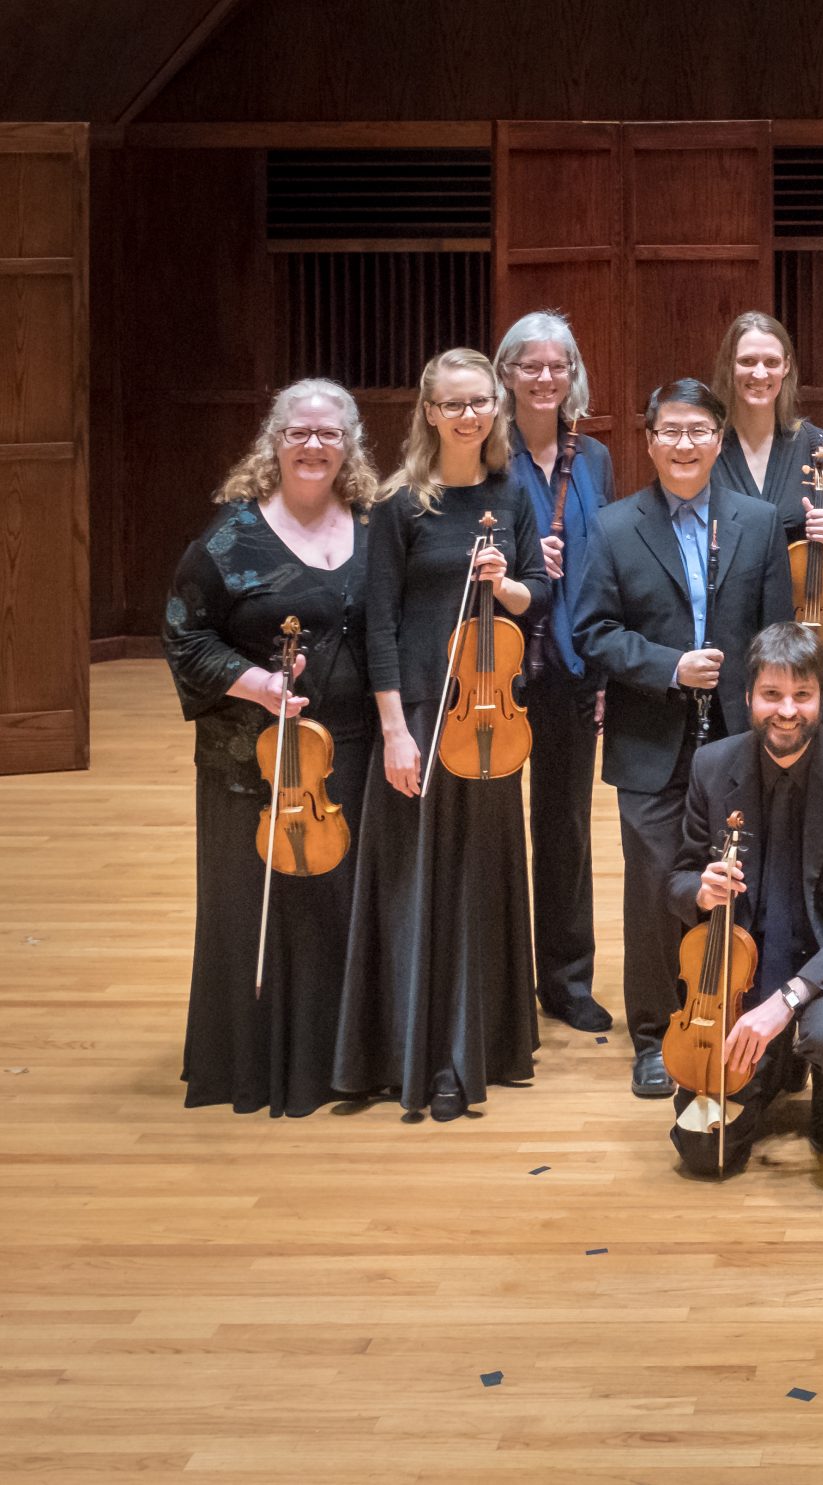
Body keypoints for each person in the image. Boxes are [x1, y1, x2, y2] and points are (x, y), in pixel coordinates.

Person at [335, 349, 549, 1122]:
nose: (470, 415)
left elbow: (537, 596)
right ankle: (414, 1052)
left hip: (489, 715)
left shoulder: (511, 493)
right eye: (454, 404)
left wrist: (505, 582)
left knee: (481, 875)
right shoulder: (398, 507)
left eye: (481, 402)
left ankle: (478, 1050)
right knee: (418, 880)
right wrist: (395, 732)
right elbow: (381, 627)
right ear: (429, 412)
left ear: (496, 408)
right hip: (422, 712)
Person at [165, 380, 380, 1116]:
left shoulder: (373, 524)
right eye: (298, 432)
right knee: (257, 903)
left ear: (349, 444)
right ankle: (257, 1063)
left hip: (348, 753)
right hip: (251, 762)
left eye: (328, 433)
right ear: (274, 441)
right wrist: (256, 682)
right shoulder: (230, 537)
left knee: (333, 904)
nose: (313, 445)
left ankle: (338, 1061)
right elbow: (184, 635)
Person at [575, 379, 794, 1100]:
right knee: (655, 890)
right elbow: (593, 631)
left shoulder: (759, 522)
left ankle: (743, 1022)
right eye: (670, 430)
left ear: (719, 439)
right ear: (649, 439)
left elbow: (778, 638)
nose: (684, 443)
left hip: (739, 741)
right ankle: (651, 1034)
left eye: (699, 429)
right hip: (650, 744)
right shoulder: (613, 527)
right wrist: (669, 665)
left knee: (744, 885)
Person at [663, 623, 823, 1177]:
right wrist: (701, 892)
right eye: (771, 695)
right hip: (740, 973)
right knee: (705, 1153)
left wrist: (788, 1000)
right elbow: (679, 877)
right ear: (749, 696)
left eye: (802, 696)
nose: (787, 711)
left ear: (821, 697)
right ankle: (773, 1065)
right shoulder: (712, 767)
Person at [496, 309, 615, 1035]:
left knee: (566, 825)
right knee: (494, 827)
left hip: (573, 663)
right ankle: (499, 976)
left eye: (558, 365)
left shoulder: (594, 458)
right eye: (530, 365)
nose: (545, 378)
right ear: (505, 373)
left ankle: (566, 979)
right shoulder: (482, 453)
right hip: (499, 669)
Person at [711, 310, 823, 728]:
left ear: (786, 367)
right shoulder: (708, 443)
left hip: (804, 623)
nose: (760, 373)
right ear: (729, 366)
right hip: (729, 624)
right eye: (747, 361)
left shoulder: (816, 446)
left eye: (771, 362)